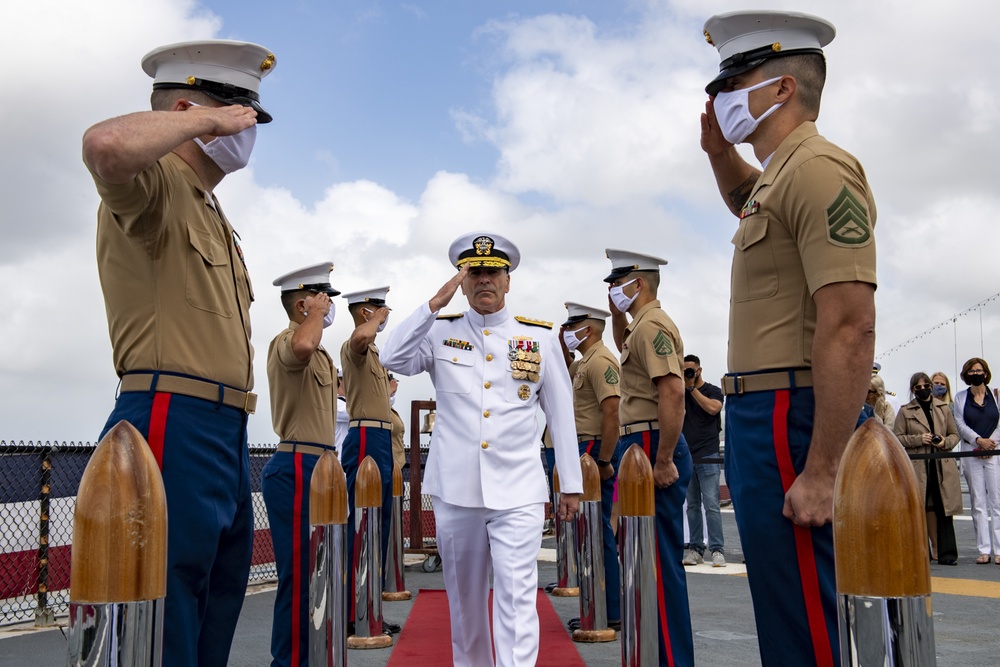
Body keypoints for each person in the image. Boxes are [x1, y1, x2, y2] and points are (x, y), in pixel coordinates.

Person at [82, 39, 277, 666]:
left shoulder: (211, 209)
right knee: (162, 612)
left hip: (225, 429)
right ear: (192, 110)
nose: (247, 131)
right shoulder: (158, 183)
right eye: (241, 114)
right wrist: (199, 119)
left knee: (214, 602)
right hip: (170, 418)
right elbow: (105, 146)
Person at [699, 11, 877, 666]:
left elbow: (851, 322)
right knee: (783, 603)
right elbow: (751, 202)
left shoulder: (821, 169)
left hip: (791, 414)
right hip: (760, 413)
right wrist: (720, 153)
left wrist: (824, 468)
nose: (717, 99)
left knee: (806, 612)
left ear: (779, 90)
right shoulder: (780, 173)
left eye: (732, 82)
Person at [380, 232, 582, 667]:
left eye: (493, 272)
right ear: (462, 279)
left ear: (508, 280)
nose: (483, 280)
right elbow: (391, 358)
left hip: (520, 489)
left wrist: (570, 482)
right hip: (457, 490)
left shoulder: (540, 337)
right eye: (473, 273)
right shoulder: (439, 332)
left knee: (516, 598)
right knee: (466, 605)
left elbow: (561, 413)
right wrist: (434, 303)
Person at [605, 248, 694, 667]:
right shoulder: (639, 326)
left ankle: (671, 659)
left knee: (657, 565)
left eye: (616, 284)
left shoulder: (652, 325)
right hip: (638, 445)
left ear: (636, 284)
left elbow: (672, 391)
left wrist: (663, 459)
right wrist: (618, 315)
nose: (611, 291)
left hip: (651, 445)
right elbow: (629, 349)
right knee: (642, 560)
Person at [261, 262, 340, 667]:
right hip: (296, 466)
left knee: (321, 574)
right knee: (299, 579)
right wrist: (313, 317)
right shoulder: (289, 340)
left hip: (322, 467)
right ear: (303, 303)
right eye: (324, 301)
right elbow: (303, 348)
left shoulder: (322, 350)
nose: (329, 308)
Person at [338, 286, 399, 634]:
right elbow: (361, 337)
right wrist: (374, 320)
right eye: (381, 310)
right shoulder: (356, 346)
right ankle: (353, 614)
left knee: (379, 530)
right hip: (365, 439)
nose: (386, 317)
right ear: (367, 313)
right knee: (362, 530)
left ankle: (369, 609)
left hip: (380, 438)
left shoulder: (373, 353)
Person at [560, 302, 622, 630]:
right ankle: (596, 604)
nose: (567, 332)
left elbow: (612, 412)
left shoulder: (601, 361)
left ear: (589, 329)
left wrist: (604, 460)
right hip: (583, 448)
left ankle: (610, 608)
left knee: (598, 531)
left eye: (572, 326)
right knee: (588, 532)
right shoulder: (584, 362)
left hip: (593, 448)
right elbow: (559, 373)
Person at [894, 372, 962, 564]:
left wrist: (943, 442)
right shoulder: (905, 411)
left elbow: (954, 434)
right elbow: (897, 437)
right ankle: (921, 551)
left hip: (941, 463)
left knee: (944, 508)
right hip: (919, 465)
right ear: (913, 390)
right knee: (919, 507)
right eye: (918, 387)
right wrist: (918, 439)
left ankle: (945, 552)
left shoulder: (943, 408)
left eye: (926, 386)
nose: (923, 390)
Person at [953, 358, 1000, 564]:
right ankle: (984, 550)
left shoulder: (996, 396)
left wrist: (991, 443)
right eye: (972, 371)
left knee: (996, 502)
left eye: (979, 370)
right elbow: (959, 423)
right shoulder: (960, 397)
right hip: (971, 451)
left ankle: (999, 549)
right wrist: (978, 441)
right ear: (966, 374)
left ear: (986, 372)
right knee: (978, 503)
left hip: (994, 452)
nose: (976, 374)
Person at [681, 354, 726, 568]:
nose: (687, 374)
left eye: (690, 370)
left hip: (708, 455)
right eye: (684, 371)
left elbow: (713, 408)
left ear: (699, 370)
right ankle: (696, 549)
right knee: (692, 506)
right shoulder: (680, 393)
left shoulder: (712, 390)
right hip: (687, 456)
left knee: (711, 505)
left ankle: (717, 550)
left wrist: (692, 389)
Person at [388, 374, 406, 470]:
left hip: (397, 464)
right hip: (390, 463)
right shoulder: (383, 408)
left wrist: (391, 393)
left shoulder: (391, 409)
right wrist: (390, 392)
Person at [335, 368, 349, 456]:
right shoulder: (334, 402)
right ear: (340, 381)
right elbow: (351, 414)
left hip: (348, 455)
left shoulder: (348, 402)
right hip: (339, 456)